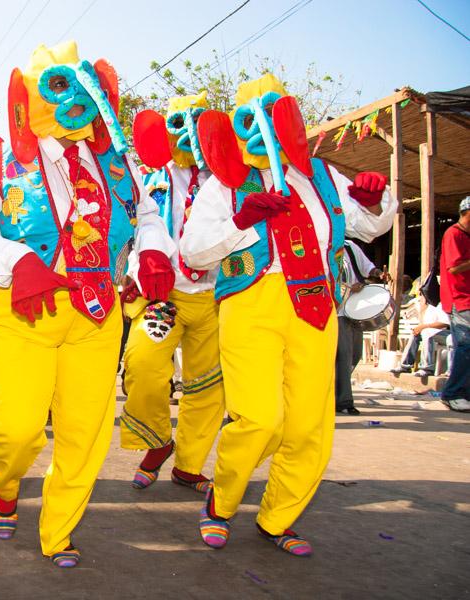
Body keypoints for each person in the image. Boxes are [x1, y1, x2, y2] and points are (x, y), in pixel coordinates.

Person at [0, 41, 174, 567]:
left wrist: (154, 252)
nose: (74, 100)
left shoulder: (118, 164)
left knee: (85, 431)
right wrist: (15, 257)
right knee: (15, 430)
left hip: (97, 313)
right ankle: (3, 481)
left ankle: (59, 530)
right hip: (21, 310)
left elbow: (146, 216)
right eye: (57, 87)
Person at [180, 74, 396, 555]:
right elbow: (192, 252)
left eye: (274, 116)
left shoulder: (322, 175)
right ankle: (222, 501)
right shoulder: (226, 183)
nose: (263, 128)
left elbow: (367, 225)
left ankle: (279, 517)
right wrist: (241, 219)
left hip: (316, 306)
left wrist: (374, 199)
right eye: (250, 119)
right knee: (259, 419)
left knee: (308, 427)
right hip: (250, 304)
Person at [119, 91, 223, 492]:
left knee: (208, 387)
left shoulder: (234, 180)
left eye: (198, 125)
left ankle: (189, 465)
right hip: (165, 298)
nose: (189, 136)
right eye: (179, 125)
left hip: (219, 297)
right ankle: (159, 441)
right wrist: (135, 271)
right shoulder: (147, 180)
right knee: (143, 366)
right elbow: (133, 232)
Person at [335, 239, 388, 415]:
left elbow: (367, 267)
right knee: (344, 356)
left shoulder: (349, 246)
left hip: (354, 309)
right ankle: (343, 402)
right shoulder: (321, 246)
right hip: (336, 311)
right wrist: (348, 287)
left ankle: (334, 393)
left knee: (355, 355)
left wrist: (379, 273)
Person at [438, 196, 470, 412]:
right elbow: (453, 268)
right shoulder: (453, 234)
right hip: (459, 298)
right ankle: (452, 393)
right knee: (466, 347)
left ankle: (462, 392)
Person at [391, 299, 450, 377]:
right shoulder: (426, 307)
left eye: (422, 295)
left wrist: (424, 327)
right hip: (432, 333)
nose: (420, 298)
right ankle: (405, 366)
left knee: (426, 331)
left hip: (448, 334)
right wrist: (422, 311)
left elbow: (445, 323)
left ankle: (427, 369)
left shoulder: (440, 305)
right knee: (415, 334)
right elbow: (421, 323)